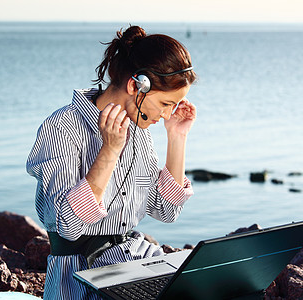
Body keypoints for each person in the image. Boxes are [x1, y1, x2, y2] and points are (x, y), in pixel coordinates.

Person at [26, 25, 197, 299]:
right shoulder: (62, 128)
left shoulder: (139, 133)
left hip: (135, 263)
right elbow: (66, 226)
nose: (167, 115)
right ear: (135, 85)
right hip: (80, 277)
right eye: (165, 104)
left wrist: (177, 137)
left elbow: (166, 211)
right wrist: (109, 151)